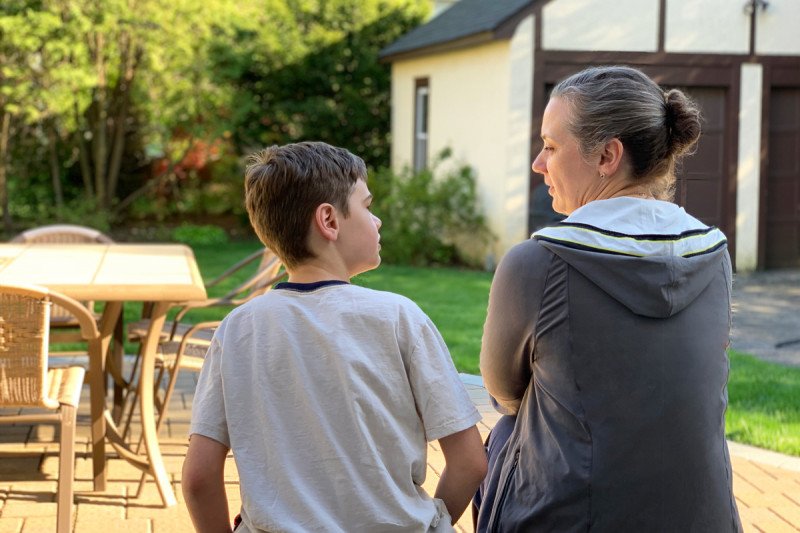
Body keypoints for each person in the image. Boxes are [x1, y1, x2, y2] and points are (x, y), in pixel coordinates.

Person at [474, 66, 742, 532]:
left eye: (551, 147)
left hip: (572, 520)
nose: (539, 163)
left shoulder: (537, 262)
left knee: (504, 434)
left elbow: (504, 394)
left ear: (607, 156)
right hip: (705, 518)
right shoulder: (714, 255)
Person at [182, 141, 487, 533]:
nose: (376, 221)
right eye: (367, 206)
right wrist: (436, 523)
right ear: (329, 220)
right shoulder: (398, 317)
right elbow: (470, 462)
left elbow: (199, 478)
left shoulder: (239, 328)